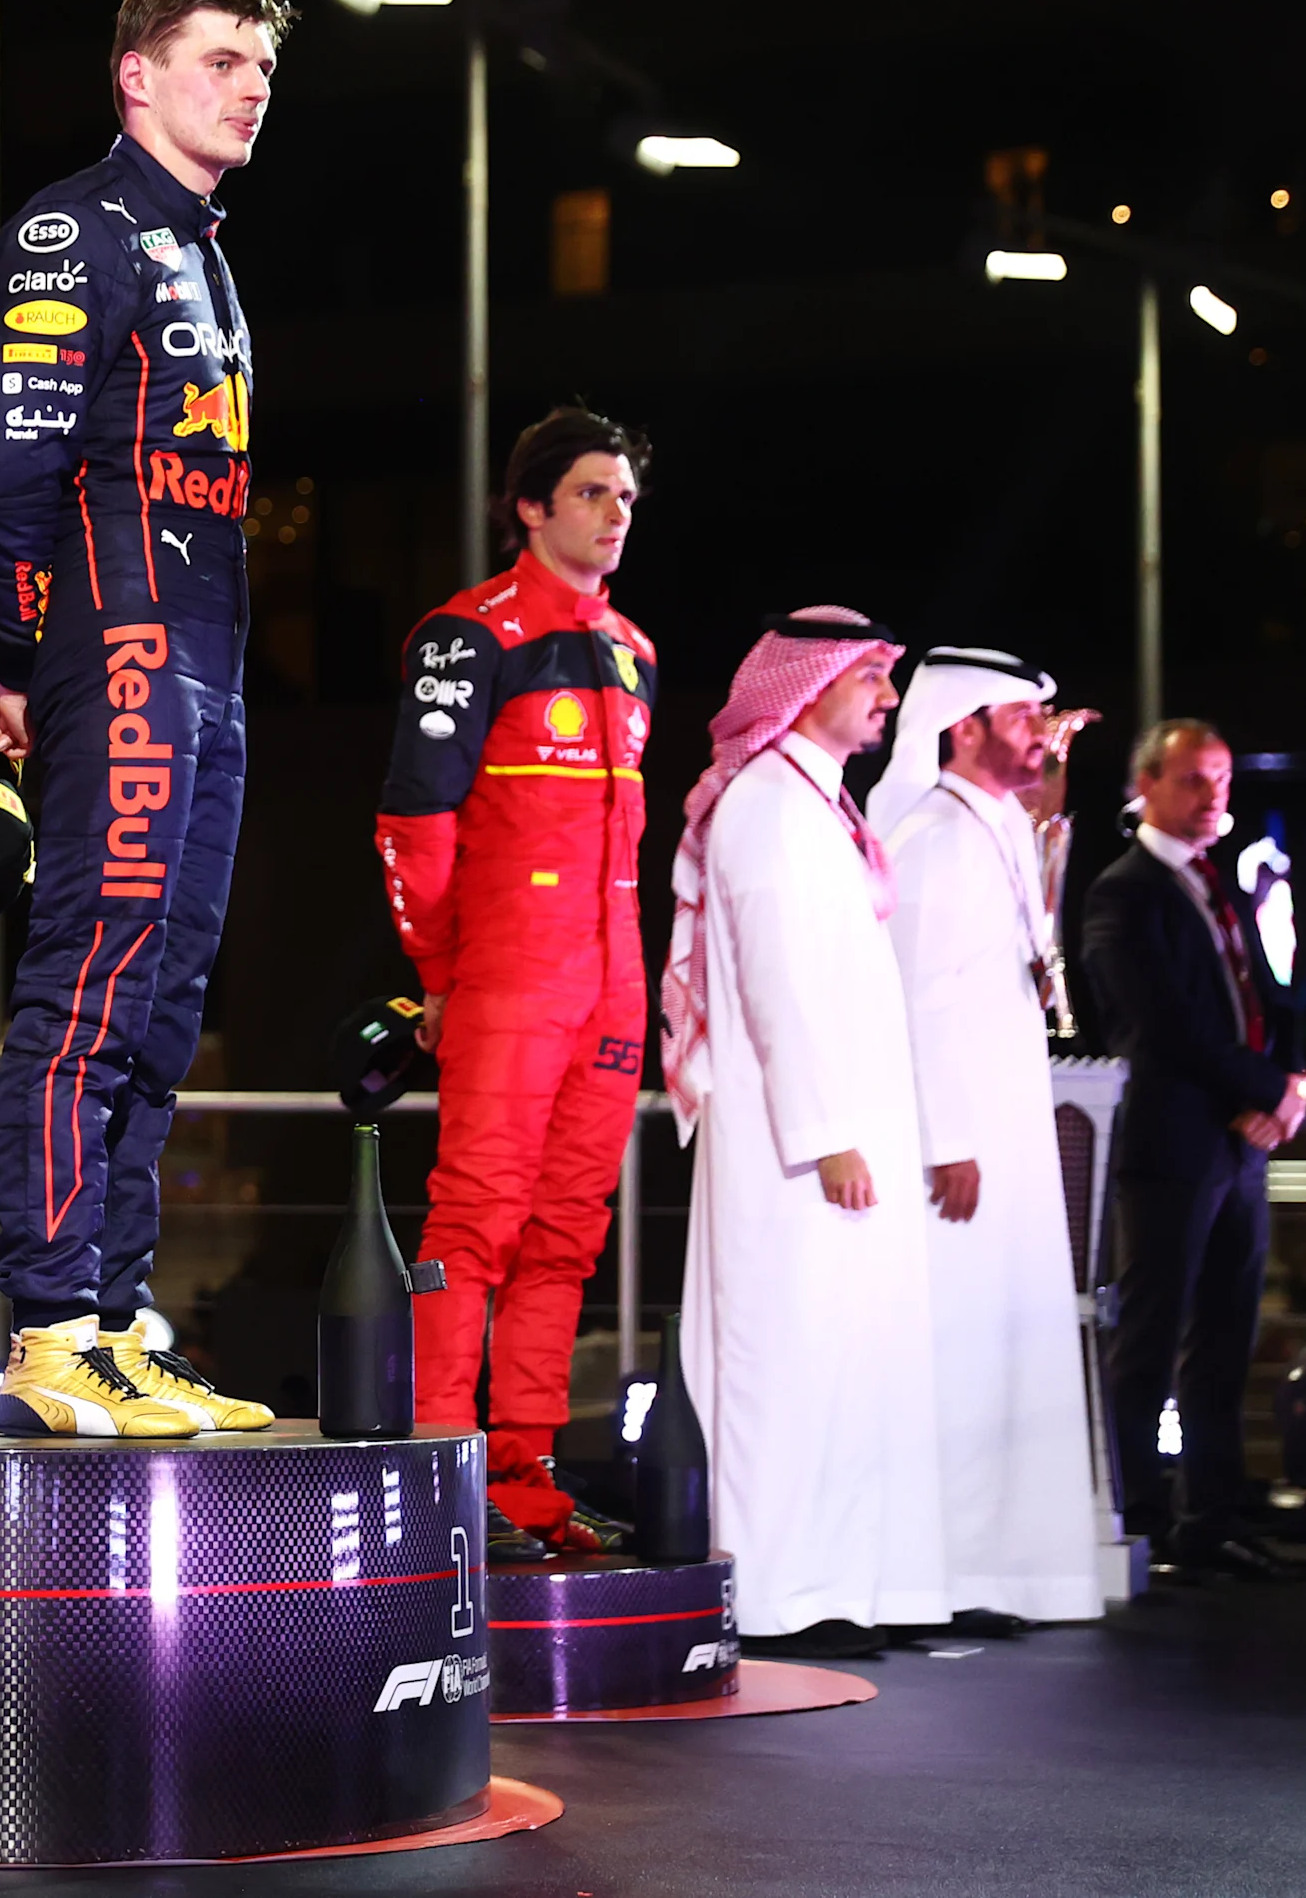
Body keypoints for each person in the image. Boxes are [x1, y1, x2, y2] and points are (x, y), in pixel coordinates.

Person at [0, 0, 293, 1438]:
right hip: (126, 652)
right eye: (219, 58)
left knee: (165, 1007)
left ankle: (111, 1318)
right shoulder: (68, 230)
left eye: (260, 67)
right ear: (136, 77)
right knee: (89, 982)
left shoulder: (208, 252)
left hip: (210, 664)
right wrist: (28, 662)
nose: (248, 84)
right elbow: (9, 473)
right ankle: (46, 1328)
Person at [373, 408, 656, 1555]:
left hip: (610, 981)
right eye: (592, 492)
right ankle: (442, 1472)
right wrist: (437, 976)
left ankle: (525, 1476)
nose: (613, 512)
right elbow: (411, 821)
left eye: (625, 497)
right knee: (474, 1221)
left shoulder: (633, 647)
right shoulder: (464, 635)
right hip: (505, 974)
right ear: (530, 505)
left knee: (565, 1236)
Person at [661, 611, 949, 1656]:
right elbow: (778, 983)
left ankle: (842, 1583)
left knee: (843, 1359)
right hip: (793, 1143)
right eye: (870, 675)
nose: (884, 695)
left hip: (844, 1128)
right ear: (807, 681)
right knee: (779, 1364)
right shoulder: (765, 807)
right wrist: (824, 1129)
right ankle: (777, 1590)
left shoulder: (819, 805)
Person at [872, 648, 1108, 1626]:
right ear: (961, 725)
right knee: (963, 1354)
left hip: (1001, 1133)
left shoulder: (993, 827)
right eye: (1018, 716)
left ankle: (1002, 1569)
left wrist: (1044, 757)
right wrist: (947, 1137)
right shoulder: (932, 835)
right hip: (956, 1146)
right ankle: (956, 1572)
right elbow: (921, 998)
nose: (1036, 734)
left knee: (1009, 1351)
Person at [1081, 719, 1306, 1583]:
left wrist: (1288, 1081)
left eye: (1221, 779)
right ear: (1144, 785)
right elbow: (1163, 1024)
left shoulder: (1228, 883)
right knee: (1150, 1335)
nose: (1213, 795)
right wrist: (1263, 1093)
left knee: (1226, 1337)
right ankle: (1140, 1519)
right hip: (1174, 1140)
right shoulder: (1124, 891)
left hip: (1242, 1144)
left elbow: (1277, 990)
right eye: (1193, 780)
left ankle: (1213, 1517)